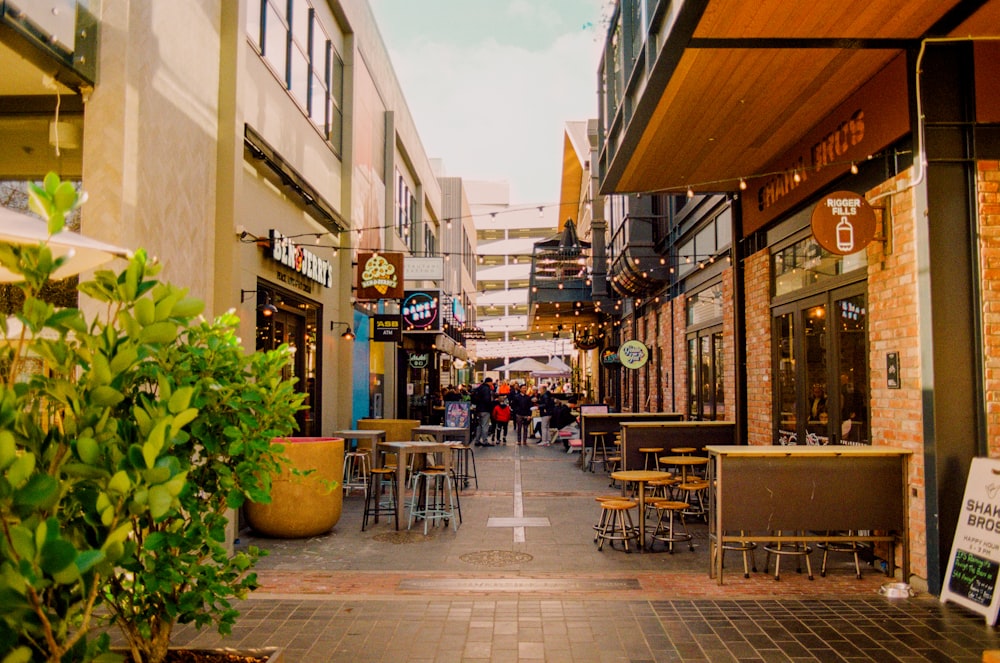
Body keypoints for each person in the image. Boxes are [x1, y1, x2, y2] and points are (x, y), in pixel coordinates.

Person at [472, 377, 495, 446]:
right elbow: (487, 400)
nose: (492, 384)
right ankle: (485, 441)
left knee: (479, 425)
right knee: (485, 425)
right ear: (489, 382)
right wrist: (490, 407)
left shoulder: (479, 388)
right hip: (485, 409)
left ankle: (477, 440)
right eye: (491, 382)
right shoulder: (486, 389)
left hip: (478, 409)